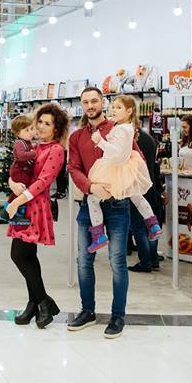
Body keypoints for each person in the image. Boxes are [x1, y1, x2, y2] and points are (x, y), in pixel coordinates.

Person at [67, 86, 137, 339]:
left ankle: (118, 315)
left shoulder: (119, 129)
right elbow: (73, 168)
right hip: (90, 203)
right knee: (84, 260)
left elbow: (136, 157)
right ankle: (88, 311)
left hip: (117, 203)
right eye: (85, 102)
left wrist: (122, 184)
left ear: (103, 102)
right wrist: (91, 186)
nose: (90, 106)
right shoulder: (76, 137)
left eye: (94, 101)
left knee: (117, 261)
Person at [5, 103, 66, 329]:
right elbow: (17, 168)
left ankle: (42, 302)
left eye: (47, 123)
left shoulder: (56, 150)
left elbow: (43, 181)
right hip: (23, 203)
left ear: (56, 129)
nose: (40, 126)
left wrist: (17, 201)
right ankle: (37, 303)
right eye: (39, 121)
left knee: (20, 254)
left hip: (34, 205)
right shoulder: (34, 146)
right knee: (25, 255)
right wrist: (11, 182)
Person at [82, 95, 159, 254]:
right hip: (125, 167)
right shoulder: (126, 127)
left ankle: (98, 235)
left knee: (93, 199)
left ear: (129, 111)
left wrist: (100, 142)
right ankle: (153, 224)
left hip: (114, 168)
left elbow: (117, 153)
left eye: (118, 108)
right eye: (113, 107)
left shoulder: (122, 129)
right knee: (137, 197)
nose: (113, 110)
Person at [129, 127, 164, 273]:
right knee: (151, 224)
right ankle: (154, 258)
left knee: (139, 228)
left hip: (136, 188)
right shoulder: (149, 139)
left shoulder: (131, 140)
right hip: (150, 186)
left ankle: (145, 261)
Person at [0, 114, 35, 226]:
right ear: (18, 133)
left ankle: (7, 211)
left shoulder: (27, 142)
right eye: (27, 130)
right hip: (19, 170)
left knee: (18, 191)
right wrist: (34, 153)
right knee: (20, 191)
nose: (31, 132)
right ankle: (13, 213)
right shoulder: (19, 143)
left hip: (23, 170)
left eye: (31, 129)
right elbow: (21, 156)